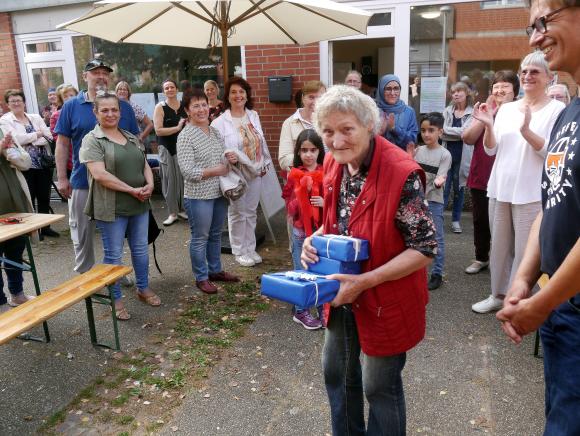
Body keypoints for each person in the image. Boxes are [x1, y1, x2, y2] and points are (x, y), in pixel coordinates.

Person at [301, 85, 436, 435]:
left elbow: (424, 247)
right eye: (328, 131)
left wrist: (365, 281)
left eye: (347, 129)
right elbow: (336, 222)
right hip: (341, 290)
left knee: (379, 386)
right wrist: (313, 242)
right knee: (336, 372)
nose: (337, 140)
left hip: (385, 297)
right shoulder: (333, 162)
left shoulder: (400, 172)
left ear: (369, 126)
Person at [496, 1, 580, 434]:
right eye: (531, 26)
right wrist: (523, 280)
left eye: (544, 21)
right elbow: (553, 203)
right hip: (560, 308)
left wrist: (540, 304)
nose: (534, 37)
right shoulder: (570, 115)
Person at [471, 51, 565, 314]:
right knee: (499, 247)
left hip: (532, 191)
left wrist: (527, 132)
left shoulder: (558, 110)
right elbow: (491, 150)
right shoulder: (508, 108)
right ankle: (498, 295)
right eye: (524, 71)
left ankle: (523, 302)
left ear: (549, 76)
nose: (527, 76)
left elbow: (553, 153)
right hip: (500, 187)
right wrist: (489, 126)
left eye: (534, 71)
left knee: (527, 252)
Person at [55, 58, 139, 275]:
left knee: (116, 234)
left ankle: (114, 273)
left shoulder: (123, 107)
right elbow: (62, 144)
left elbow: (134, 144)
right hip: (82, 182)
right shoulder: (72, 106)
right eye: (95, 72)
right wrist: (62, 178)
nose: (101, 76)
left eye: (105, 73)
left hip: (118, 183)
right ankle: (86, 276)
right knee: (82, 234)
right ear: (85, 77)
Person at [80, 92, 159, 321]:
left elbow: (144, 163)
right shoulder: (92, 140)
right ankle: (115, 299)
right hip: (111, 207)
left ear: (120, 111)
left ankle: (143, 288)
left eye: (114, 109)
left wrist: (150, 185)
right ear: (96, 112)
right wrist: (131, 190)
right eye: (104, 110)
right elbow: (100, 174)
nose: (110, 114)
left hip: (140, 203)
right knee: (113, 255)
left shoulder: (130, 136)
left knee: (141, 250)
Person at [176, 89, 240, 295]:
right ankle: (201, 277)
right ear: (187, 110)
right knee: (200, 236)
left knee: (215, 234)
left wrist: (229, 159)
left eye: (203, 104)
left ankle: (215, 270)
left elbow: (220, 158)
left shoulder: (215, 132)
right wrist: (215, 170)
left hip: (218, 192)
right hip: (198, 196)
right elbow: (187, 171)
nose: (201, 109)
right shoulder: (185, 136)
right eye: (195, 106)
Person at [211, 77, 273, 268]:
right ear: (227, 96)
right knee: (238, 212)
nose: (238, 96)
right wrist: (226, 157)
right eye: (234, 92)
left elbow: (260, 142)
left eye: (242, 92)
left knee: (252, 212)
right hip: (235, 174)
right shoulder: (220, 122)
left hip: (255, 171)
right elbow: (216, 151)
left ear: (247, 95)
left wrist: (264, 164)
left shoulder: (253, 115)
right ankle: (239, 250)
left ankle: (250, 248)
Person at [463, 71, 519, 274]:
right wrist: (487, 116)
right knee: (480, 221)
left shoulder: (521, 112)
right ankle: (482, 258)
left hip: (509, 179)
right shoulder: (486, 109)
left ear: (515, 91)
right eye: (497, 86)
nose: (500, 90)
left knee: (508, 226)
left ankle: (506, 264)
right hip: (482, 174)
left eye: (505, 86)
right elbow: (467, 138)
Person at [282, 129, 325, 329]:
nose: (308, 155)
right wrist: (302, 196)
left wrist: (324, 202)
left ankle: (323, 309)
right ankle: (300, 311)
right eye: (304, 150)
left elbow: (336, 204)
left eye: (313, 150)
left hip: (322, 231)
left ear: (319, 151)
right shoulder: (294, 175)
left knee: (322, 271)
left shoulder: (327, 173)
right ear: (298, 152)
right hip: (300, 231)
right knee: (302, 270)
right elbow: (289, 208)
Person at [0, 89, 58, 238]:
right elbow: (15, 140)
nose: (16, 103)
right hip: (24, 165)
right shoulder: (5, 120)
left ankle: (45, 228)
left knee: (44, 196)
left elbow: (48, 136)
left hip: (43, 163)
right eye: (12, 101)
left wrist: (30, 138)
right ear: (8, 104)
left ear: (24, 102)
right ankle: (32, 231)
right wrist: (36, 134)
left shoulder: (34, 116)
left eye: (19, 100)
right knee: (29, 198)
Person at [415, 112, 452, 290]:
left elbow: (441, 176)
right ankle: (416, 270)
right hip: (417, 201)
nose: (426, 134)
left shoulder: (445, 155)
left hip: (434, 201)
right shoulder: (417, 151)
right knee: (416, 235)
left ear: (440, 132)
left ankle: (437, 273)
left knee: (437, 237)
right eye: (423, 130)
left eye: (431, 130)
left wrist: (439, 181)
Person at [0, 131, 35, 309]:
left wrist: (9, 151)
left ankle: (17, 293)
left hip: (14, 202)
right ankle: (0, 303)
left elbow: (26, 163)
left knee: (16, 248)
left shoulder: (2, 130)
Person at [153, 79, 187, 226]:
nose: (169, 90)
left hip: (182, 148)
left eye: (172, 87)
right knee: (169, 180)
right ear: (163, 91)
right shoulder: (160, 107)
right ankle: (172, 213)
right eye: (166, 88)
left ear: (177, 89)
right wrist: (177, 128)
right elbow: (158, 130)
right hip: (166, 148)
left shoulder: (184, 107)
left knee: (182, 180)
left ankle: (182, 209)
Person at [442, 81, 474, 234]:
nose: (455, 94)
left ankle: (456, 220)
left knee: (459, 190)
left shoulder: (473, 112)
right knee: (443, 189)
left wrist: (450, 132)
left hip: (463, 157)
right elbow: (441, 132)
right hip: (447, 156)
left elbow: (466, 132)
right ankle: (438, 218)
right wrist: (459, 134)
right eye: (453, 92)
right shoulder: (447, 111)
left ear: (466, 93)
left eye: (459, 91)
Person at [278, 80, 326, 172]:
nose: (316, 102)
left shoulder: (331, 122)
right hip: (301, 180)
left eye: (320, 98)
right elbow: (283, 160)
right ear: (303, 98)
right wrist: (310, 161)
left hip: (328, 178)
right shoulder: (289, 123)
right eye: (311, 97)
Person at [376, 74, 419, 154]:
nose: (392, 93)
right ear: (381, 90)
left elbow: (412, 140)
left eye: (396, 88)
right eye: (388, 89)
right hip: (379, 157)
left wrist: (394, 129)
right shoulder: (374, 111)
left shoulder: (408, 111)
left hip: (402, 158)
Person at [50, 84, 79, 179]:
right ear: (61, 99)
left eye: (71, 95)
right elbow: (58, 139)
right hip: (69, 157)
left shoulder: (82, 111)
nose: (69, 98)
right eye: (65, 96)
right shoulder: (56, 116)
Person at [115, 81, 154, 146]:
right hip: (116, 141)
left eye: (125, 89)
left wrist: (141, 137)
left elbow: (150, 124)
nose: (122, 91)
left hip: (133, 142)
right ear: (116, 92)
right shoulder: (112, 106)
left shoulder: (134, 107)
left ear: (128, 92)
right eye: (120, 89)